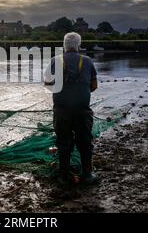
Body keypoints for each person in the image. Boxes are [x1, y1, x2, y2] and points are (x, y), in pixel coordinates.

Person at [44, 32, 99, 185]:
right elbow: (94, 86)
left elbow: (47, 84)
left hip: (61, 111)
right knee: (85, 142)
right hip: (82, 110)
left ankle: (64, 176)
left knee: (63, 143)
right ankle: (87, 175)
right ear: (79, 46)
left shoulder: (55, 61)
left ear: (64, 45)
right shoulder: (87, 61)